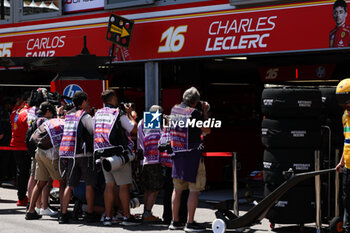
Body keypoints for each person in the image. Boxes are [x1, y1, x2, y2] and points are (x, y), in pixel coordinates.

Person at [93, 90, 139, 226]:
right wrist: (130, 114)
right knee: (124, 186)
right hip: (118, 155)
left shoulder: (98, 113)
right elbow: (133, 129)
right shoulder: (118, 113)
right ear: (113, 98)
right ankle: (126, 217)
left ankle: (108, 217)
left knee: (109, 186)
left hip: (103, 154)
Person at [168, 87, 210, 232]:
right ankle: (190, 223)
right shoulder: (194, 113)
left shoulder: (174, 110)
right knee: (194, 190)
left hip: (177, 155)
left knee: (177, 189)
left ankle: (175, 221)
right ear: (196, 101)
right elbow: (207, 129)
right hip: (192, 156)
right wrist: (205, 112)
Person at [58, 91, 97, 224]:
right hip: (85, 154)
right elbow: (93, 131)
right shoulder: (85, 116)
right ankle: (90, 214)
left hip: (70, 154)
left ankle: (63, 214)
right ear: (84, 101)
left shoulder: (68, 115)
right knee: (89, 184)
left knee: (70, 185)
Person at [25, 102, 65, 220]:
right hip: (49, 153)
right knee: (63, 181)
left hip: (39, 152)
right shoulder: (59, 122)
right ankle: (63, 213)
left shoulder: (41, 121)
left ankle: (31, 210)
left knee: (40, 182)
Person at [137, 105, 164, 223]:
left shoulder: (141, 123)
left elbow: (140, 142)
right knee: (154, 189)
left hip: (144, 160)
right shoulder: (160, 122)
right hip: (156, 160)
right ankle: (147, 214)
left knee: (148, 188)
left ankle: (146, 213)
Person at [10, 91, 32, 206]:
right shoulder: (28, 112)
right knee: (27, 173)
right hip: (24, 146)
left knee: (21, 172)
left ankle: (22, 196)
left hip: (15, 145)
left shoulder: (15, 110)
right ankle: (24, 197)